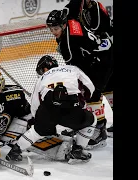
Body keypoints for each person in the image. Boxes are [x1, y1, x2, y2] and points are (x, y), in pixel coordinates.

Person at [6, 55, 97, 164]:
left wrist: (39, 121)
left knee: (35, 132)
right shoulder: (72, 69)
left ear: (44, 69)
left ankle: (14, 151)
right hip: (71, 107)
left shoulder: (42, 77)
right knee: (91, 120)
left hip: (48, 108)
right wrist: (83, 102)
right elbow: (90, 87)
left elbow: (35, 104)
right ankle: (78, 150)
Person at [46, 9, 113, 149]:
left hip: (101, 62)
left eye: (56, 28)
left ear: (63, 25)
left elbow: (76, 68)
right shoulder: (71, 22)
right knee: (109, 88)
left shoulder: (68, 43)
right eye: (51, 28)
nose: (53, 31)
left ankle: (99, 133)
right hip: (107, 55)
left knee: (92, 95)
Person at [64, 0, 113, 137]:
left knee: (98, 91)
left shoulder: (96, 7)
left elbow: (103, 27)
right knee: (102, 90)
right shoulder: (74, 8)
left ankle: (98, 129)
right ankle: (97, 127)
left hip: (105, 55)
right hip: (100, 55)